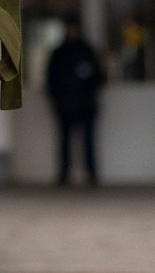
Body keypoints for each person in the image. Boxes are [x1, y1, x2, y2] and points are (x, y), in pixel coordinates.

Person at [45, 23, 106, 187]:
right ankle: (64, 174)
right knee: (64, 142)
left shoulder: (87, 52)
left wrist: (89, 93)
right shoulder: (59, 53)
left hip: (85, 104)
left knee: (88, 142)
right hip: (65, 104)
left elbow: (98, 76)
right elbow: (51, 80)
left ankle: (92, 174)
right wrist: (57, 98)